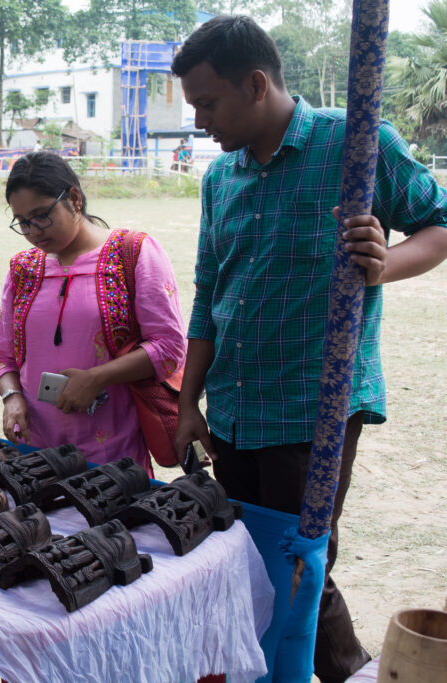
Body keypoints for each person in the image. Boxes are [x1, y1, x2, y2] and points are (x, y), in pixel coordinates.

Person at [170, 16, 447, 682]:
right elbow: (210, 294)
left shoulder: (357, 147)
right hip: (233, 408)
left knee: (299, 565)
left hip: (310, 412)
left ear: (257, 83)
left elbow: (438, 225)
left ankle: (345, 670)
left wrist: (386, 262)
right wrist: (187, 403)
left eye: (208, 103)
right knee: (238, 561)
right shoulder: (221, 179)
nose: (200, 121)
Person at [0, 151, 186, 472]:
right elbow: (1, 355)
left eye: (42, 215)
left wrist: (96, 378)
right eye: (22, 222)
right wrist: (11, 397)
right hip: (34, 451)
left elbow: (169, 348)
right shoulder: (23, 268)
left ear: (74, 199)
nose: (33, 231)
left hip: (112, 457)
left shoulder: (131, 253)